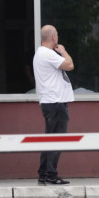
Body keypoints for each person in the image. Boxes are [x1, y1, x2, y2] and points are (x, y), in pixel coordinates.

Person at [33, 24, 74, 185]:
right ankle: (51, 174)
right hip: (55, 102)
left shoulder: (40, 53)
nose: (57, 36)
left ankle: (44, 173)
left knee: (49, 139)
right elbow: (70, 65)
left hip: (49, 102)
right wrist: (63, 51)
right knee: (57, 139)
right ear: (53, 37)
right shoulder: (48, 54)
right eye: (56, 34)